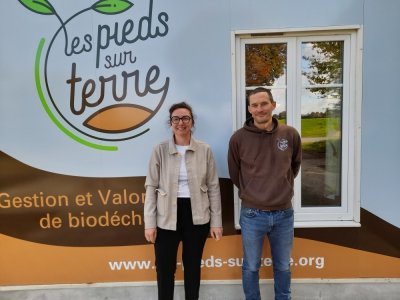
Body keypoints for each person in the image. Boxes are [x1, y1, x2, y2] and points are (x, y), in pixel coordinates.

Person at [144, 102, 223, 300]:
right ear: (170, 123)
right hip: (166, 217)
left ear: (192, 121)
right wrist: (150, 223)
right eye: (176, 119)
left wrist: (216, 222)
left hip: (197, 216)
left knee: (192, 267)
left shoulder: (204, 150)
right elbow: (151, 187)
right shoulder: (159, 150)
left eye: (185, 118)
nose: (181, 123)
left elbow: (213, 186)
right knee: (164, 269)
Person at [228, 87, 301, 300]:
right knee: (251, 267)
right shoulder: (238, 139)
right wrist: (252, 192)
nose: (259, 109)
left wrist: (282, 187)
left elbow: (294, 166)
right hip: (252, 214)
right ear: (249, 109)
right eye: (255, 105)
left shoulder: (290, 134)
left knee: (283, 267)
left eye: (264, 104)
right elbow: (235, 173)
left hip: (284, 214)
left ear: (273, 105)